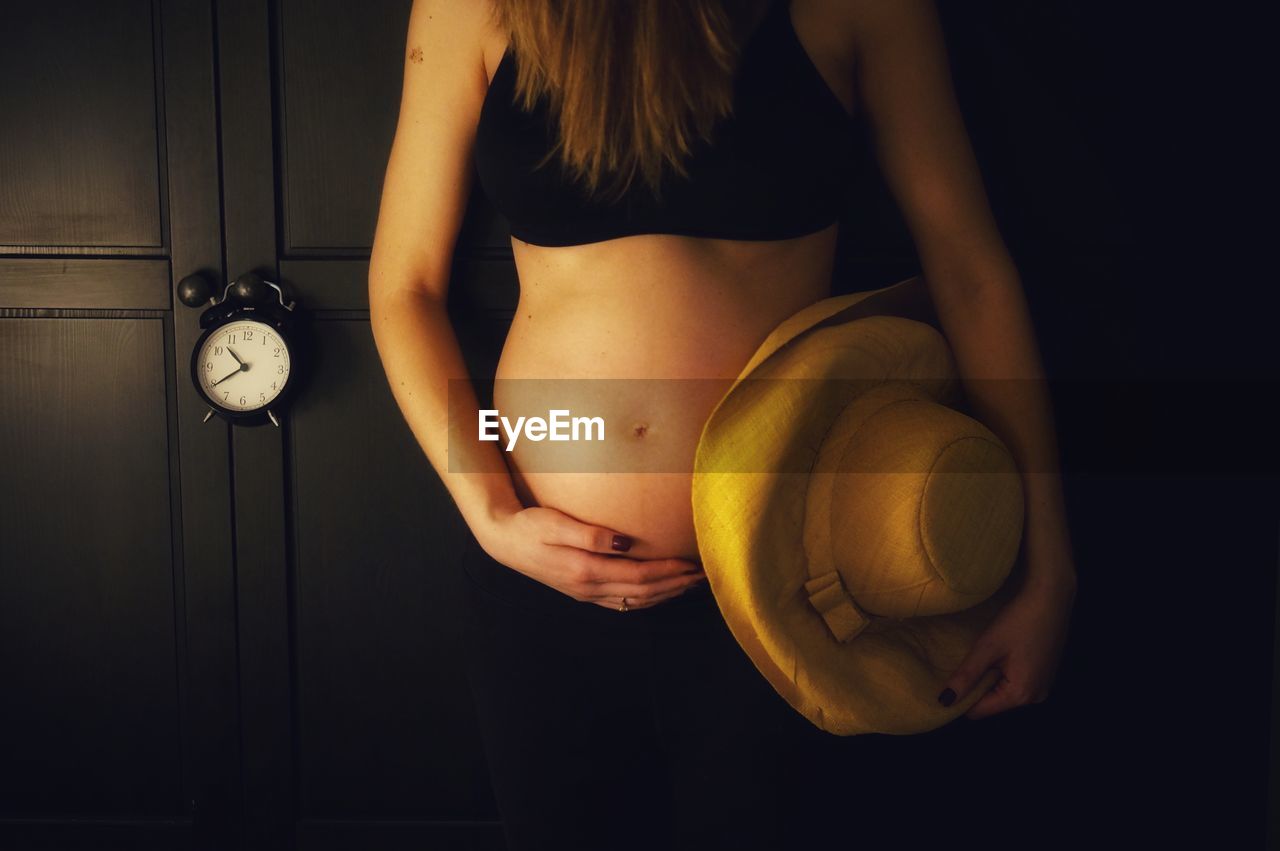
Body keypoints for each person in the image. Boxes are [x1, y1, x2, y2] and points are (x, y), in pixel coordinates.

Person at [368, 0, 1078, 847]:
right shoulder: (471, 8)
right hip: (544, 590)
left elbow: (970, 273)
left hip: (793, 588)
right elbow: (404, 288)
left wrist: (1049, 568)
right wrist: (490, 516)